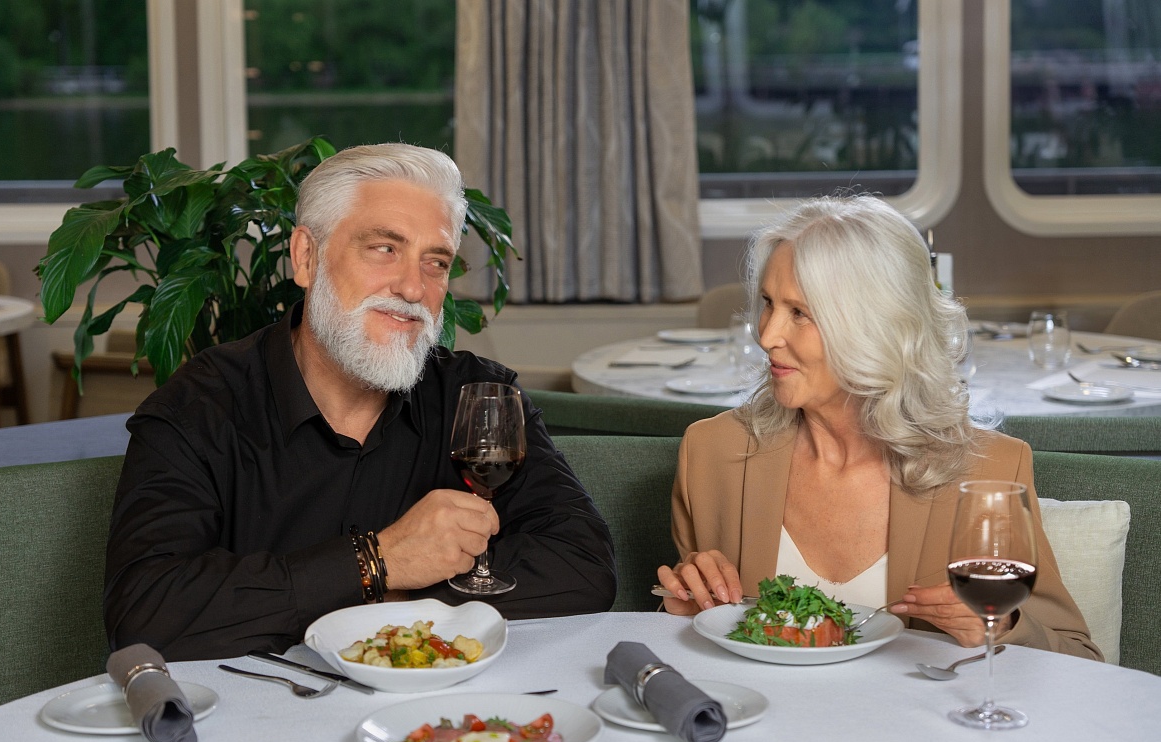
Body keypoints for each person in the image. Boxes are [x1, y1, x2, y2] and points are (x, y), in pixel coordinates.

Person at [104, 144, 616, 660]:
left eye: (435, 262)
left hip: (441, 704)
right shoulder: (198, 408)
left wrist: (393, 605)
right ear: (306, 257)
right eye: (384, 248)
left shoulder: (478, 396)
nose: (413, 288)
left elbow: (583, 566)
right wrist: (378, 561)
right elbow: (146, 615)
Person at [657, 195, 1100, 660]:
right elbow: (701, 649)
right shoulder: (712, 454)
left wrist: (1002, 628)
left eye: (799, 313)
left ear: (876, 328)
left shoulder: (991, 469)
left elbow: (1079, 658)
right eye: (768, 303)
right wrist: (684, 608)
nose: (766, 335)